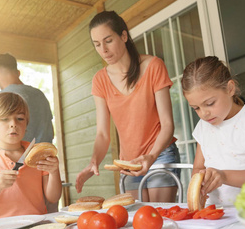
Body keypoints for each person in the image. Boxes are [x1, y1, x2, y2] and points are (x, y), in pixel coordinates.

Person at [75, 11, 180, 202]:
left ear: (123, 36)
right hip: (128, 162)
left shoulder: (153, 66)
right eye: (97, 44)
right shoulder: (100, 80)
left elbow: (167, 124)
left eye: (108, 40)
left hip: (159, 154)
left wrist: (152, 155)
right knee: (136, 223)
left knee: (159, 219)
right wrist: (93, 161)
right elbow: (102, 134)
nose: (103, 50)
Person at [182, 56, 245, 206]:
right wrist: (200, 181)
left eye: (209, 103)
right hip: (217, 211)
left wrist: (223, 176)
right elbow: (199, 168)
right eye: (196, 108)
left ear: (230, 89)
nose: (203, 113)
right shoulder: (203, 126)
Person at [0, 92, 62, 220]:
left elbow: (53, 198)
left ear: (26, 123)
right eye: (5, 119)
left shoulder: (37, 153)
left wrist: (54, 172)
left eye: (20, 118)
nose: (13, 124)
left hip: (36, 225)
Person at [0, 53, 54, 143]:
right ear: (18, 73)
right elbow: (50, 131)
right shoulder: (39, 95)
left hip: (18, 156)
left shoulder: (0, 98)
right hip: (46, 154)